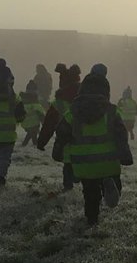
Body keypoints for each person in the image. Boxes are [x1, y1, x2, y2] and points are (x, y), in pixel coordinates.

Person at [53, 63, 132, 227]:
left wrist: (58, 150)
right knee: (110, 178)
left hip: (83, 163)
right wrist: (125, 155)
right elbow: (121, 134)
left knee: (89, 192)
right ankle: (110, 185)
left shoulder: (73, 111)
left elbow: (62, 132)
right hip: (108, 162)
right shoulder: (111, 111)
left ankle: (92, 218)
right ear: (107, 92)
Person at [37, 63, 83, 190]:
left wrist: (41, 142)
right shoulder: (86, 99)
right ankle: (79, 178)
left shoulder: (58, 103)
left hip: (66, 142)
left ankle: (68, 186)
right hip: (86, 141)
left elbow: (48, 124)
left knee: (68, 166)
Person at [20, 80, 46, 147]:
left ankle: (25, 144)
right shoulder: (35, 101)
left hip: (25, 122)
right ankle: (35, 144)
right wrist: (43, 122)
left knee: (31, 133)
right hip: (34, 122)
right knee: (33, 133)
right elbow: (40, 113)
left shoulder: (23, 100)